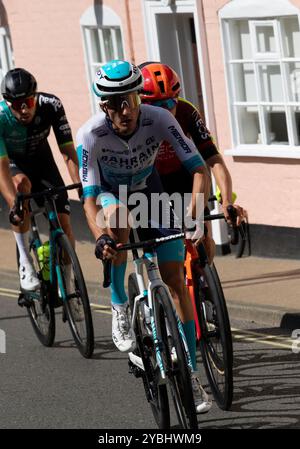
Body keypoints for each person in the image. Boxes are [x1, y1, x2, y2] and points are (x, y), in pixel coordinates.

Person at [76, 59, 212, 413]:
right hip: (110, 195)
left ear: (139, 97)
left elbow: (199, 170)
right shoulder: (90, 134)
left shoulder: (160, 119)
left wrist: (195, 216)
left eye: (132, 100)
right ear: (103, 106)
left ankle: (191, 374)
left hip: (149, 191)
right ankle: (120, 304)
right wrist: (101, 237)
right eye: (116, 103)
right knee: (118, 217)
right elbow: (88, 201)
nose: (126, 110)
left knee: (175, 282)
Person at [139, 62, 245, 261]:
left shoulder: (187, 112)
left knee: (201, 232)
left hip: (183, 176)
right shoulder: (136, 120)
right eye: (156, 106)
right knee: (164, 245)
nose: (165, 111)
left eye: (170, 103)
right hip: (152, 180)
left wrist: (227, 200)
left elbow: (213, 159)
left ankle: (206, 278)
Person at [0, 68, 81, 296]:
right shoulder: (0, 119)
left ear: (35, 96)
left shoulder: (51, 105)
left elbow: (67, 150)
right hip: (13, 164)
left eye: (27, 101)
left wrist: (83, 188)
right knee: (21, 188)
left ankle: (70, 283)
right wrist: (14, 204)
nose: (24, 109)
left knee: (64, 223)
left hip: (43, 161)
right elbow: (2, 168)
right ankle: (26, 264)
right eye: (17, 105)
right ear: (9, 105)